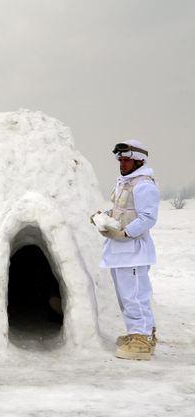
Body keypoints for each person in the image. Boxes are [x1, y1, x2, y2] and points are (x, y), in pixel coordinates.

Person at [91, 140, 159, 360]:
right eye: (120, 159)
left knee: (135, 296)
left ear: (139, 160)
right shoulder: (125, 182)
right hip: (120, 252)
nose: (122, 163)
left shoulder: (144, 185)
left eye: (127, 159)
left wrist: (125, 233)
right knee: (125, 296)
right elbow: (122, 210)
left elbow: (148, 217)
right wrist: (105, 218)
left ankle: (141, 339)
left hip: (133, 252)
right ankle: (137, 333)